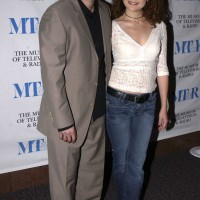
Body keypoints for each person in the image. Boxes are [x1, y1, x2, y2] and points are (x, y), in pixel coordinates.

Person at [37, 0, 112, 199]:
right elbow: (52, 76)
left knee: (93, 178)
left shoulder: (105, 10)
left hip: (98, 111)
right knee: (64, 182)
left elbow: (104, 61)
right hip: (67, 118)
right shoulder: (57, 14)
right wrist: (63, 122)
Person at [106, 0, 169, 199]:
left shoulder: (159, 26)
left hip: (147, 105)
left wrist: (164, 106)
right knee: (121, 162)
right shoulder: (112, 25)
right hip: (117, 104)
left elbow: (162, 67)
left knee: (136, 165)